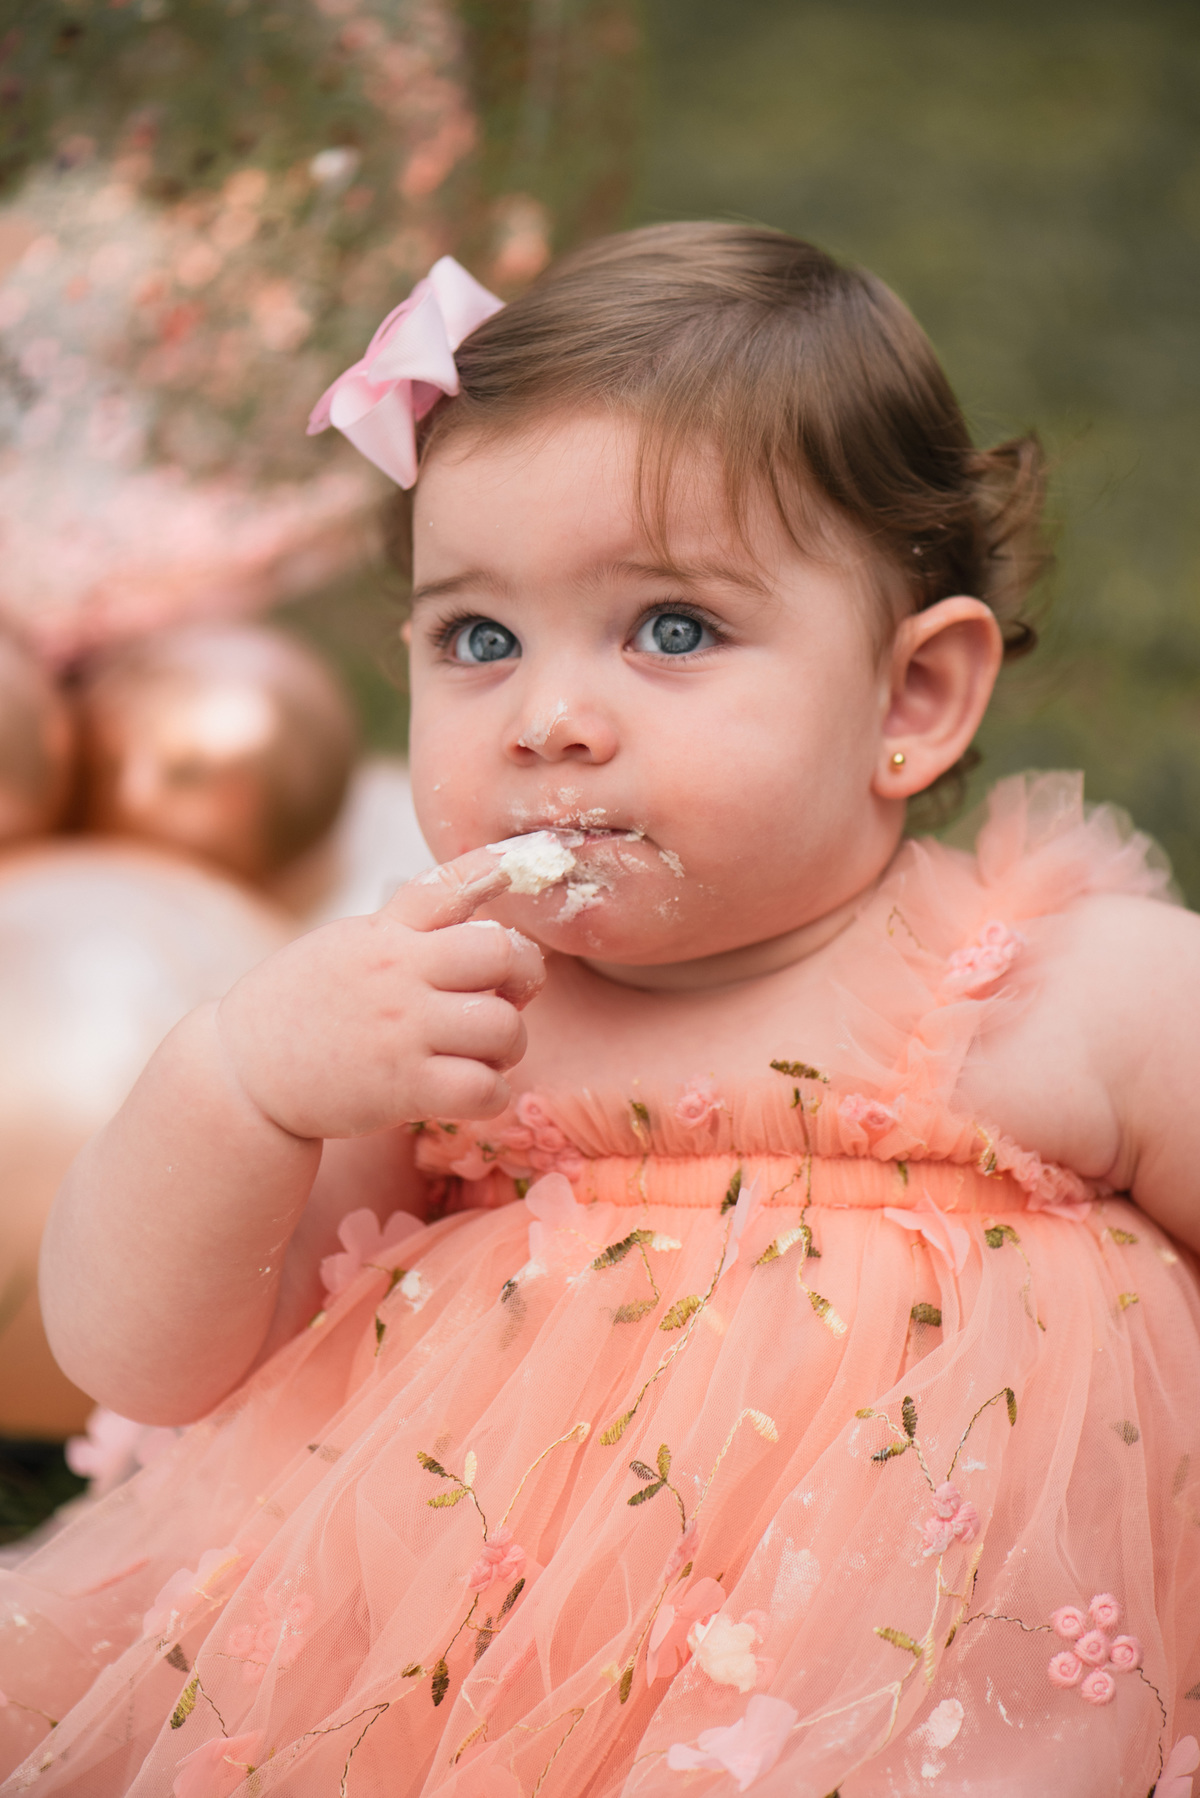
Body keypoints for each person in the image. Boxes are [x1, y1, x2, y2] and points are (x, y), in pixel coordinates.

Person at [2, 225, 1199, 1798]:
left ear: (911, 699)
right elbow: (151, 1360)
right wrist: (237, 1083)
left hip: (933, 1714)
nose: (549, 718)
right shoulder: (445, 1018)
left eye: (671, 628)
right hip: (470, 1709)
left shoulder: (1071, 994)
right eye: (478, 639)